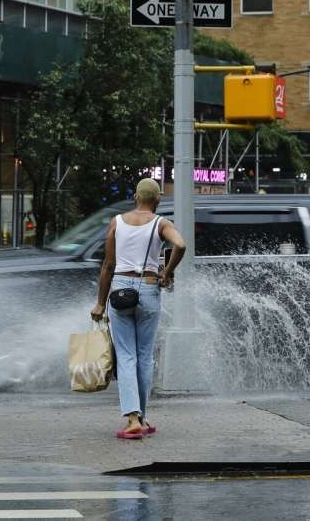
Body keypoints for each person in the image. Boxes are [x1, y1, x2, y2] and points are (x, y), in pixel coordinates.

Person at [91, 178, 186, 440]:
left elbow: (108, 265)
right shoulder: (161, 224)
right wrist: (167, 272)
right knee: (144, 356)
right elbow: (180, 245)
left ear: (135, 197)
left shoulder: (117, 222)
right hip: (149, 289)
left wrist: (100, 302)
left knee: (126, 356)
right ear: (157, 200)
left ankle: (133, 419)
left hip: (121, 290)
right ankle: (141, 417)